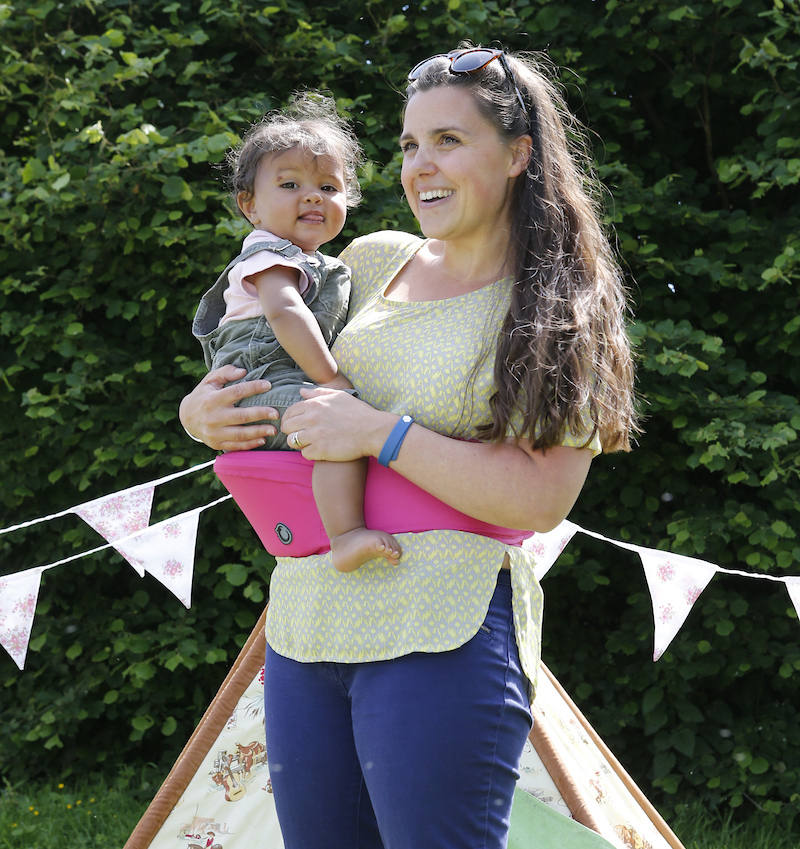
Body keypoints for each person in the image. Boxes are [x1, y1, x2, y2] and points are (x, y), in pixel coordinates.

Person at [180, 43, 637, 849]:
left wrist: (380, 435)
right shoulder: (368, 260)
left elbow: (540, 498)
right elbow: (265, 356)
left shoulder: (558, 304)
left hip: (443, 627)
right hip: (307, 621)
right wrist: (202, 413)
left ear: (519, 155)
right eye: (408, 144)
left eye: (449, 141)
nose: (420, 165)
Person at [191, 91, 401, 573]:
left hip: (280, 381)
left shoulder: (317, 263)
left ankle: (334, 528)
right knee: (336, 429)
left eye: (329, 187)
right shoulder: (268, 256)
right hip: (261, 385)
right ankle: (345, 535)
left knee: (335, 430)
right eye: (290, 184)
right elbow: (286, 315)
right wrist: (330, 380)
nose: (313, 196)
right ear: (251, 206)